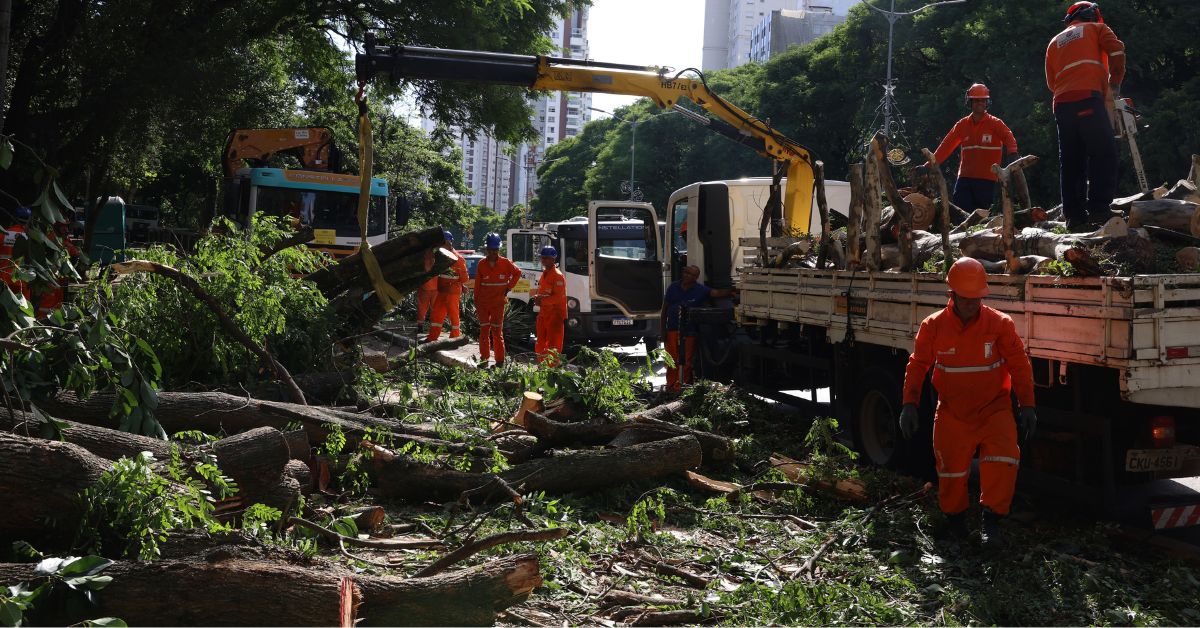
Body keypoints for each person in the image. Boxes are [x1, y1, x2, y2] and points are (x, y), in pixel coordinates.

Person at [899, 257, 1037, 546]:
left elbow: (1019, 365)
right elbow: (918, 364)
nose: (973, 304)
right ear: (953, 295)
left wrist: (1027, 406)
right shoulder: (933, 326)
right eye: (966, 298)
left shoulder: (999, 324)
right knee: (950, 469)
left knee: (1003, 459)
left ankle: (993, 524)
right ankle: (956, 523)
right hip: (953, 410)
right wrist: (909, 404)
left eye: (977, 298)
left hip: (994, 408)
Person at [1045, 1, 1126, 232]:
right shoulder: (1098, 29)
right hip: (1089, 99)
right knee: (1104, 153)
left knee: (1071, 160)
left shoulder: (1054, 42)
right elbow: (1117, 52)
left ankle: (1074, 217)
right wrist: (1114, 84)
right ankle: (1099, 209)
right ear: (1092, 15)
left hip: (1061, 104)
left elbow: (1052, 82)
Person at [924, 83, 1018, 214]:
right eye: (976, 100)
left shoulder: (995, 123)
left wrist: (1012, 152)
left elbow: (1009, 137)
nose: (979, 103)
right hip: (965, 179)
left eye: (982, 100)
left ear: (987, 102)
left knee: (982, 217)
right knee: (959, 214)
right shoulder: (962, 125)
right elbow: (945, 147)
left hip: (987, 180)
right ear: (970, 102)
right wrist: (928, 166)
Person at [660, 265, 736, 393]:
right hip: (672, 330)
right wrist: (663, 331)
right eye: (685, 272)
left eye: (689, 274)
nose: (685, 275)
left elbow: (716, 293)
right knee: (671, 360)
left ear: (695, 277)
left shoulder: (700, 290)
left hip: (689, 332)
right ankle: (671, 387)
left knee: (687, 361)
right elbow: (664, 310)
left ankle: (683, 387)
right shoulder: (673, 287)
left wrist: (733, 290)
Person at [473, 233, 521, 367]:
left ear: (498, 250)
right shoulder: (481, 264)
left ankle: (500, 361)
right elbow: (477, 286)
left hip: (498, 304)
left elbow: (518, 273)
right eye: (490, 250)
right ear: (486, 249)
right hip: (483, 304)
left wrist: (509, 287)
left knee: (497, 332)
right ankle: (484, 359)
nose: (493, 253)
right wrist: (476, 304)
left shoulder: (506, 263)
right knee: (484, 332)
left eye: (495, 250)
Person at [425, 230, 469, 342]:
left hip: (452, 292)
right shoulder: (440, 256)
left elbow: (465, 278)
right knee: (436, 315)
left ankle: (455, 338)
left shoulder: (458, 259)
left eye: (441, 243)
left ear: (447, 243)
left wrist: (458, 283)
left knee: (453, 314)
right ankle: (432, 337)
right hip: (442, 291)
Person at [531, 246, 566, 366]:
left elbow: (558, 297)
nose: (544, 260)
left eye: (547, 258)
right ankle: (542, 366)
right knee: (540, 342)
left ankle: (552, 369)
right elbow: (543, 292)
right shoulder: (545, 273)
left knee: (553, 344)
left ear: (553, 259)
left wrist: (541, 301)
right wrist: (537, 297)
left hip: (555, 315)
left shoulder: (557, 275)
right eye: (543, 258)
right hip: (544, 313)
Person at [0, 206, 32, 301]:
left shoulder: (3, 234)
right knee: (23, 310)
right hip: (22, 281)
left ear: (14, 218)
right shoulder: (29, 237)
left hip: (3, 279)